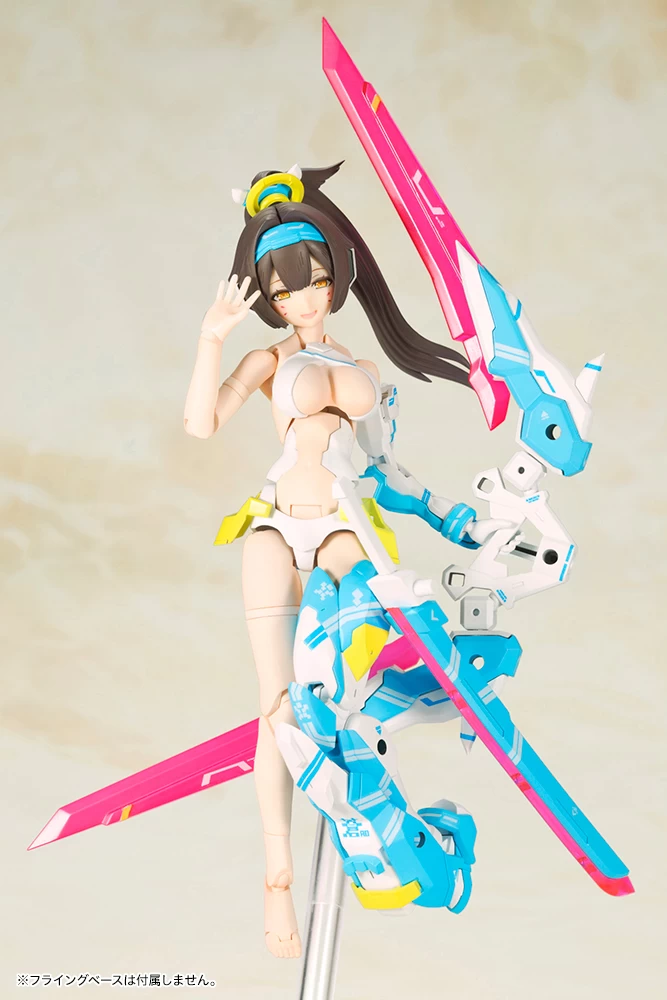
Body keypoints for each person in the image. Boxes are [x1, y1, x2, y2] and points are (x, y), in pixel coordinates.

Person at [184, 162, 473, 958]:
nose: (303, 301)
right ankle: (278, 880)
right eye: (285, 292)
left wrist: (452, 518)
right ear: (270, 299)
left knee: (368, 600)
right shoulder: (270, 361)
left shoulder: (365, 370)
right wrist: (212, 338)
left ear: (334, 275)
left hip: (347, 523)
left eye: (312, 283)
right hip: (278, 529)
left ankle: (369, 776)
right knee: (276, 707)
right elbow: (201, 424)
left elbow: (389, 475)